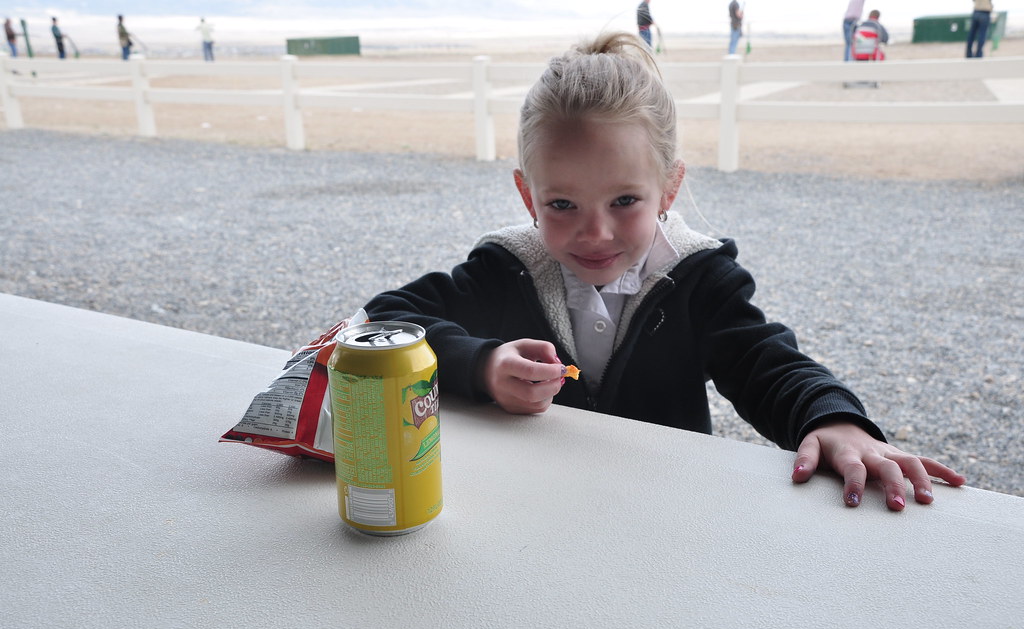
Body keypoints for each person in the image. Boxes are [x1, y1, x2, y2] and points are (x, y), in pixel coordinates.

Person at [360, 32, 966, 511]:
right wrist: (483, 364)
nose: (595, 233)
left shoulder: (698, 277)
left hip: (667, 510)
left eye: (624, 201)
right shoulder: (508, 266)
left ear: (669, 188)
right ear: (527, 197)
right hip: (530, 503)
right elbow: (386, 319)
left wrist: (832, 419)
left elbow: (764, 361)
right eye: (562, 204)